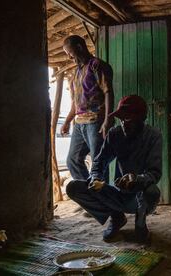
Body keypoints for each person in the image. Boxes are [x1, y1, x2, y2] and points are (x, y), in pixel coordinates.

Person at [66, 95, 162, 243]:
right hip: (117, 194)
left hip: (139, 196)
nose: (123, 123)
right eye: (121, 118)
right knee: (73, 187)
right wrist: (95, 177)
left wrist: (136, 179)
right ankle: (116, 217)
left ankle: (140, 223)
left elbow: (154, 173)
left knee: (152, 191)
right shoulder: (115, 134)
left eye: (128, 119)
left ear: (141, 119)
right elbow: (99, 162)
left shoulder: (153, 136)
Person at [61, 35, 114, 180]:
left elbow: (108, 91)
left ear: (79, 47)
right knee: (73, 160)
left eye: (70, 53)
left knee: (98, 163)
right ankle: (90, 196)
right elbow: (75, 103)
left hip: (96, 120)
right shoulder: (76, 73)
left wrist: (107, 119)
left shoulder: (96, 65)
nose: (70, 58)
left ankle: (102, 199)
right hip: (79, 123)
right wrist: (67, 121)